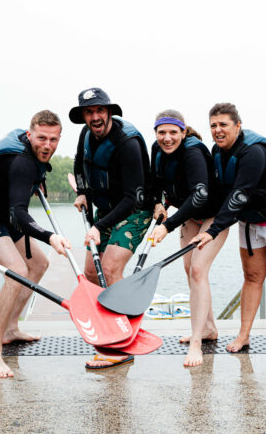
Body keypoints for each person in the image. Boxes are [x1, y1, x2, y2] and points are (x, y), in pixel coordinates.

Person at [190, 103, 266, 355]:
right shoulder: (218, 151)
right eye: (213, 125)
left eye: (223, 125)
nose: (218, 130)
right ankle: (244, 335)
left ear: (237, 125)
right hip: (251, 221)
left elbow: (239, 195)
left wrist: (213, 232)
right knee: (252, 277)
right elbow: (222, 193)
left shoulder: (254, 151)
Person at [0, 110, 71, 378]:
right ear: (29, 135)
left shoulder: (31, 158)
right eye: (41, 138)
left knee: (39, 263)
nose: (47, 145)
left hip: (6, 218)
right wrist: (50, 236)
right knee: (16, 274)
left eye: (53, 139)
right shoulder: (23, 163)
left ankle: (11, 328)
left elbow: (15, 208)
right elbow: (20, 214)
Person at [70, 87, 153, 369]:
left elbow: (132, 198)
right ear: (84, 116)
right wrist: (82, 191)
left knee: (110, 269)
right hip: (105, 211)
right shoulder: (86, 134)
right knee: (91, 273)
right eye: (89, 112)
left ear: (109, 112)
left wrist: (98, 226)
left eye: (99, 110)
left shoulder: (126, 143)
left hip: (135, 211)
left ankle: (121, 345)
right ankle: (103, 336)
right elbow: (79, 164)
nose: (95, 117)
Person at [148, 110, 227, 367]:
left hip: (213, 216)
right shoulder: (157, 150)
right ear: (156, 133)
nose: (167, 138)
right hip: (190, 215)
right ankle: (208, 329)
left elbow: (201, 196)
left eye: (173, 132)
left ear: (183, 132)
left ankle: (196, 343)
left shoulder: (193, 152)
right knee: (189, 269)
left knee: (197, 269)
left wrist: (167, 225)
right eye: (162, 132)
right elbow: (155, 184)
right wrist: (158, 204)